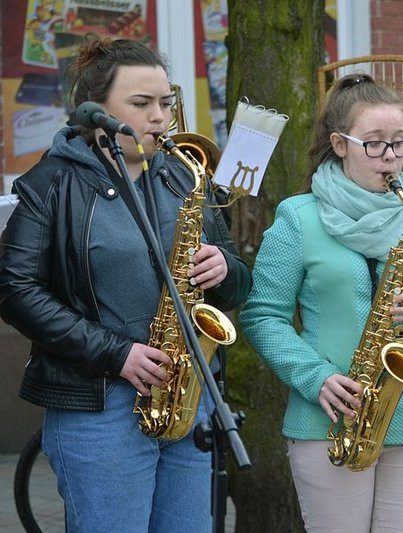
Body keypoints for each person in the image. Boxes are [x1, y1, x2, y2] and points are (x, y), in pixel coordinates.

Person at [0, 35, 252, 532]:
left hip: (188, 396)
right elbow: (14, 290)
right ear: (97, 113)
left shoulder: (185, 177)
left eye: (165, 102)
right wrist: (116, 353)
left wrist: (224, 267)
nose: (159, 116)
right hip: (100, 405)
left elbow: (240, 285)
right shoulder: (49, 184)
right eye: (141, 103)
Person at [240, 73, 403, 533]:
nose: (391, 157)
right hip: (328, 419)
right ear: (339, 144)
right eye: (375, 144)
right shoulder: (297, 218)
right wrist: (315, 377)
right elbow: (263, 316)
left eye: (400, 143)